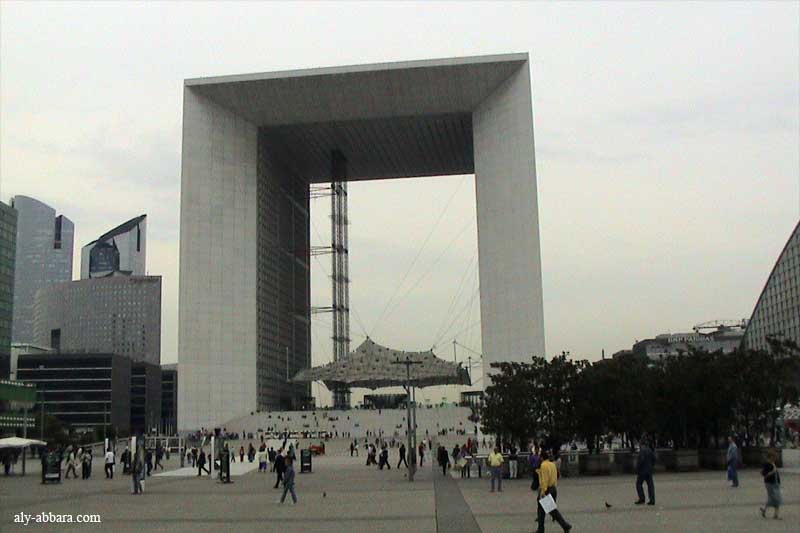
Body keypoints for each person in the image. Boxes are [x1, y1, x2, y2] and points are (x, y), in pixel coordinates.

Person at [535, 451, 572, 533]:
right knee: (543, 510)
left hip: (546, 489)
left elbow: (545, 480)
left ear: (541, 458)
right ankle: (541, 529)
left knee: (551, 511)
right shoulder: (552, 464)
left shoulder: (543, 465)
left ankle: (565, 525)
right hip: (553, 488)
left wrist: (543, 492)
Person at [759, 452, 782, 520]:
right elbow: (764, 474)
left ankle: (765, 510)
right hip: (770, 483)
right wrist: (773, 472)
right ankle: (776, 514)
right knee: (776, 498)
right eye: (774, 457)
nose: (775, 458)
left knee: (772, 498)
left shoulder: (773, 463)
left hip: (775, 483)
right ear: (770, 457)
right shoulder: (767, 464)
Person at [635, 439, 656, 505]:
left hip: (642, 471)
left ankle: (642, 498)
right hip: (649, 470)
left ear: (642, 444)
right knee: (650, 485)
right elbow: (654, 459)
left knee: (638, 484)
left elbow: (641, 460)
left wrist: (638, 468)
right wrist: (651, 466)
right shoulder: (650, 450)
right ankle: (652, 500)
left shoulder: (642, 451)